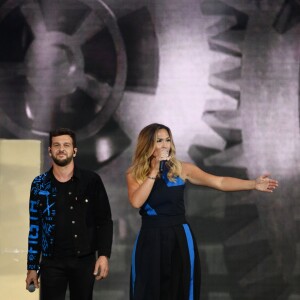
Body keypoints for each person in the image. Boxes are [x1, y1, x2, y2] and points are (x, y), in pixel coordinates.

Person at [126, 123, 278, 300]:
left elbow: (219, 182)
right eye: (159, 140)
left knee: (180, 290)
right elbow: (137, 202)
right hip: (150, 238)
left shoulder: (182, 169)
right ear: (147, 143)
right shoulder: (134, 174)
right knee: (146, 291)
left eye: (168, 140)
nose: (165, 145)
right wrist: (153, 171)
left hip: (179, 236)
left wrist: (253, 184)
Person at [25, 128, 113, 300]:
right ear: (50, 150)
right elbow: (35, 226)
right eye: (56, 145)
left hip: (84, 260)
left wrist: (103, 255)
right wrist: (32, 267)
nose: (61, 149)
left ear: (75, 150)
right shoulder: (39, 184)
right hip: (51, 261)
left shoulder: (91, 181)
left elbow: (104, 221)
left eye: (66, 145)